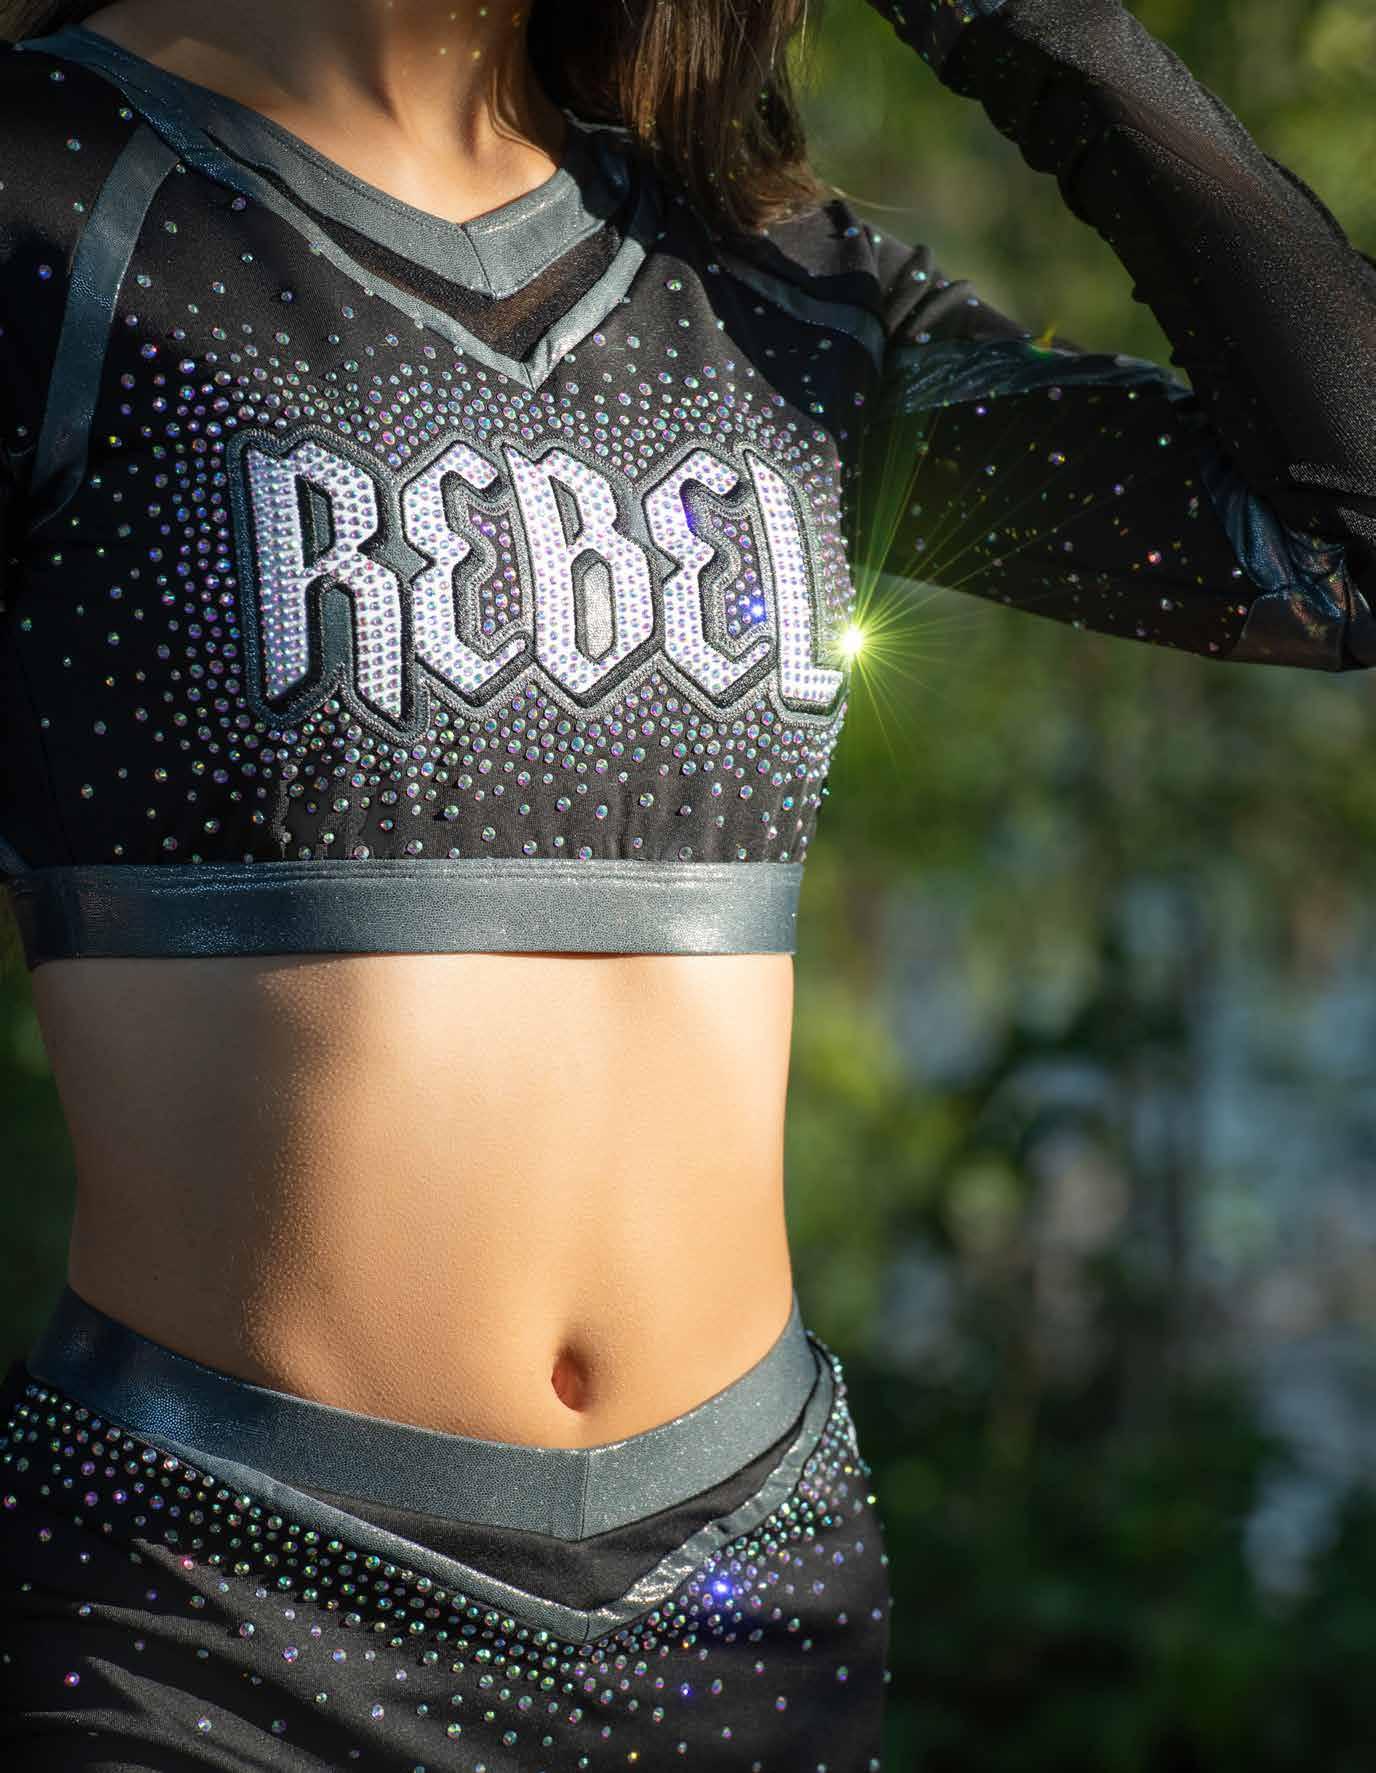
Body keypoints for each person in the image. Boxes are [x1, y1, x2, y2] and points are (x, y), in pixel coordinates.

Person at [0, 0, 1370, 1766]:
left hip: (743, 1600)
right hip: (212, 1609)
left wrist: (1042, 35)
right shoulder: (56, 187)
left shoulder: (765, 277)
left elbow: (1334, 550)